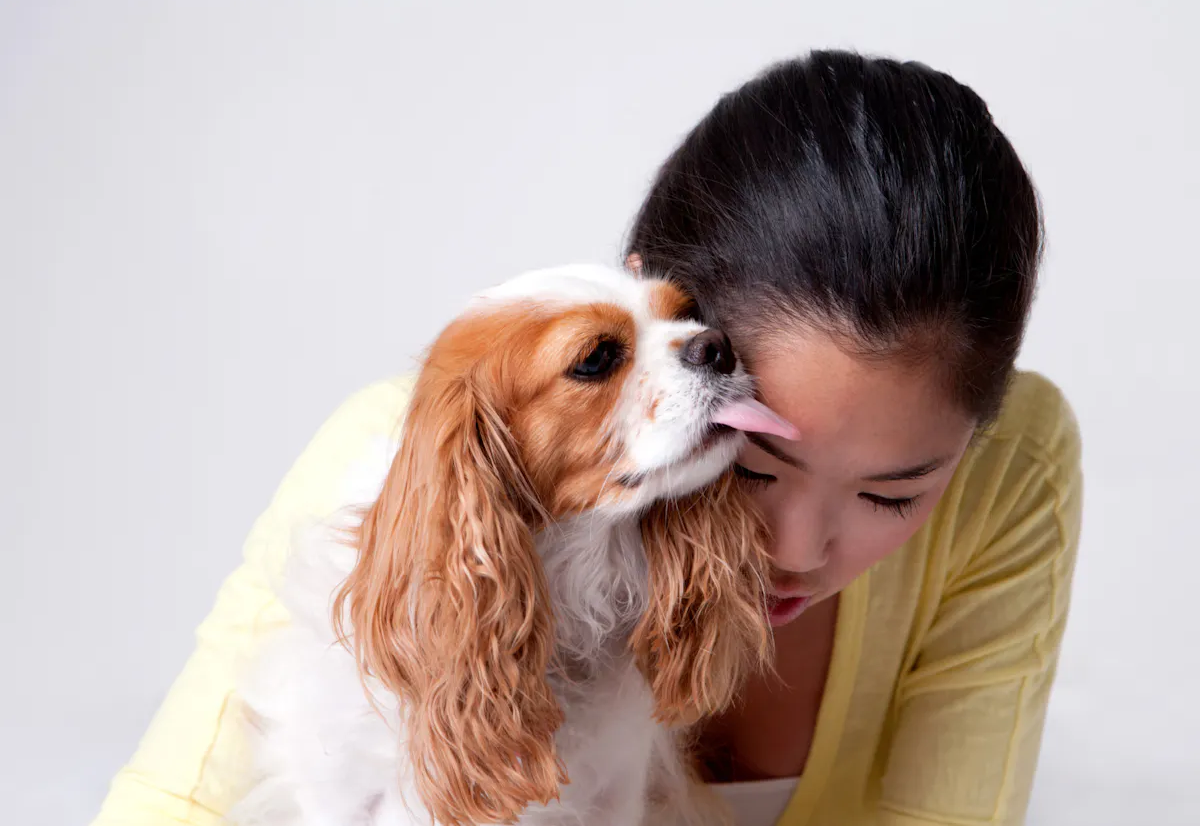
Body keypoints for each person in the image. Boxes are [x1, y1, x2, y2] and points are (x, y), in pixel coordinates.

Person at [92, 51, 1081, 826]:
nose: (793, 546)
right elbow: (174, 802)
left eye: (891, 495)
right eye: (757, 452)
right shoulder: (398, 456)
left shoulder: (1014, 466)